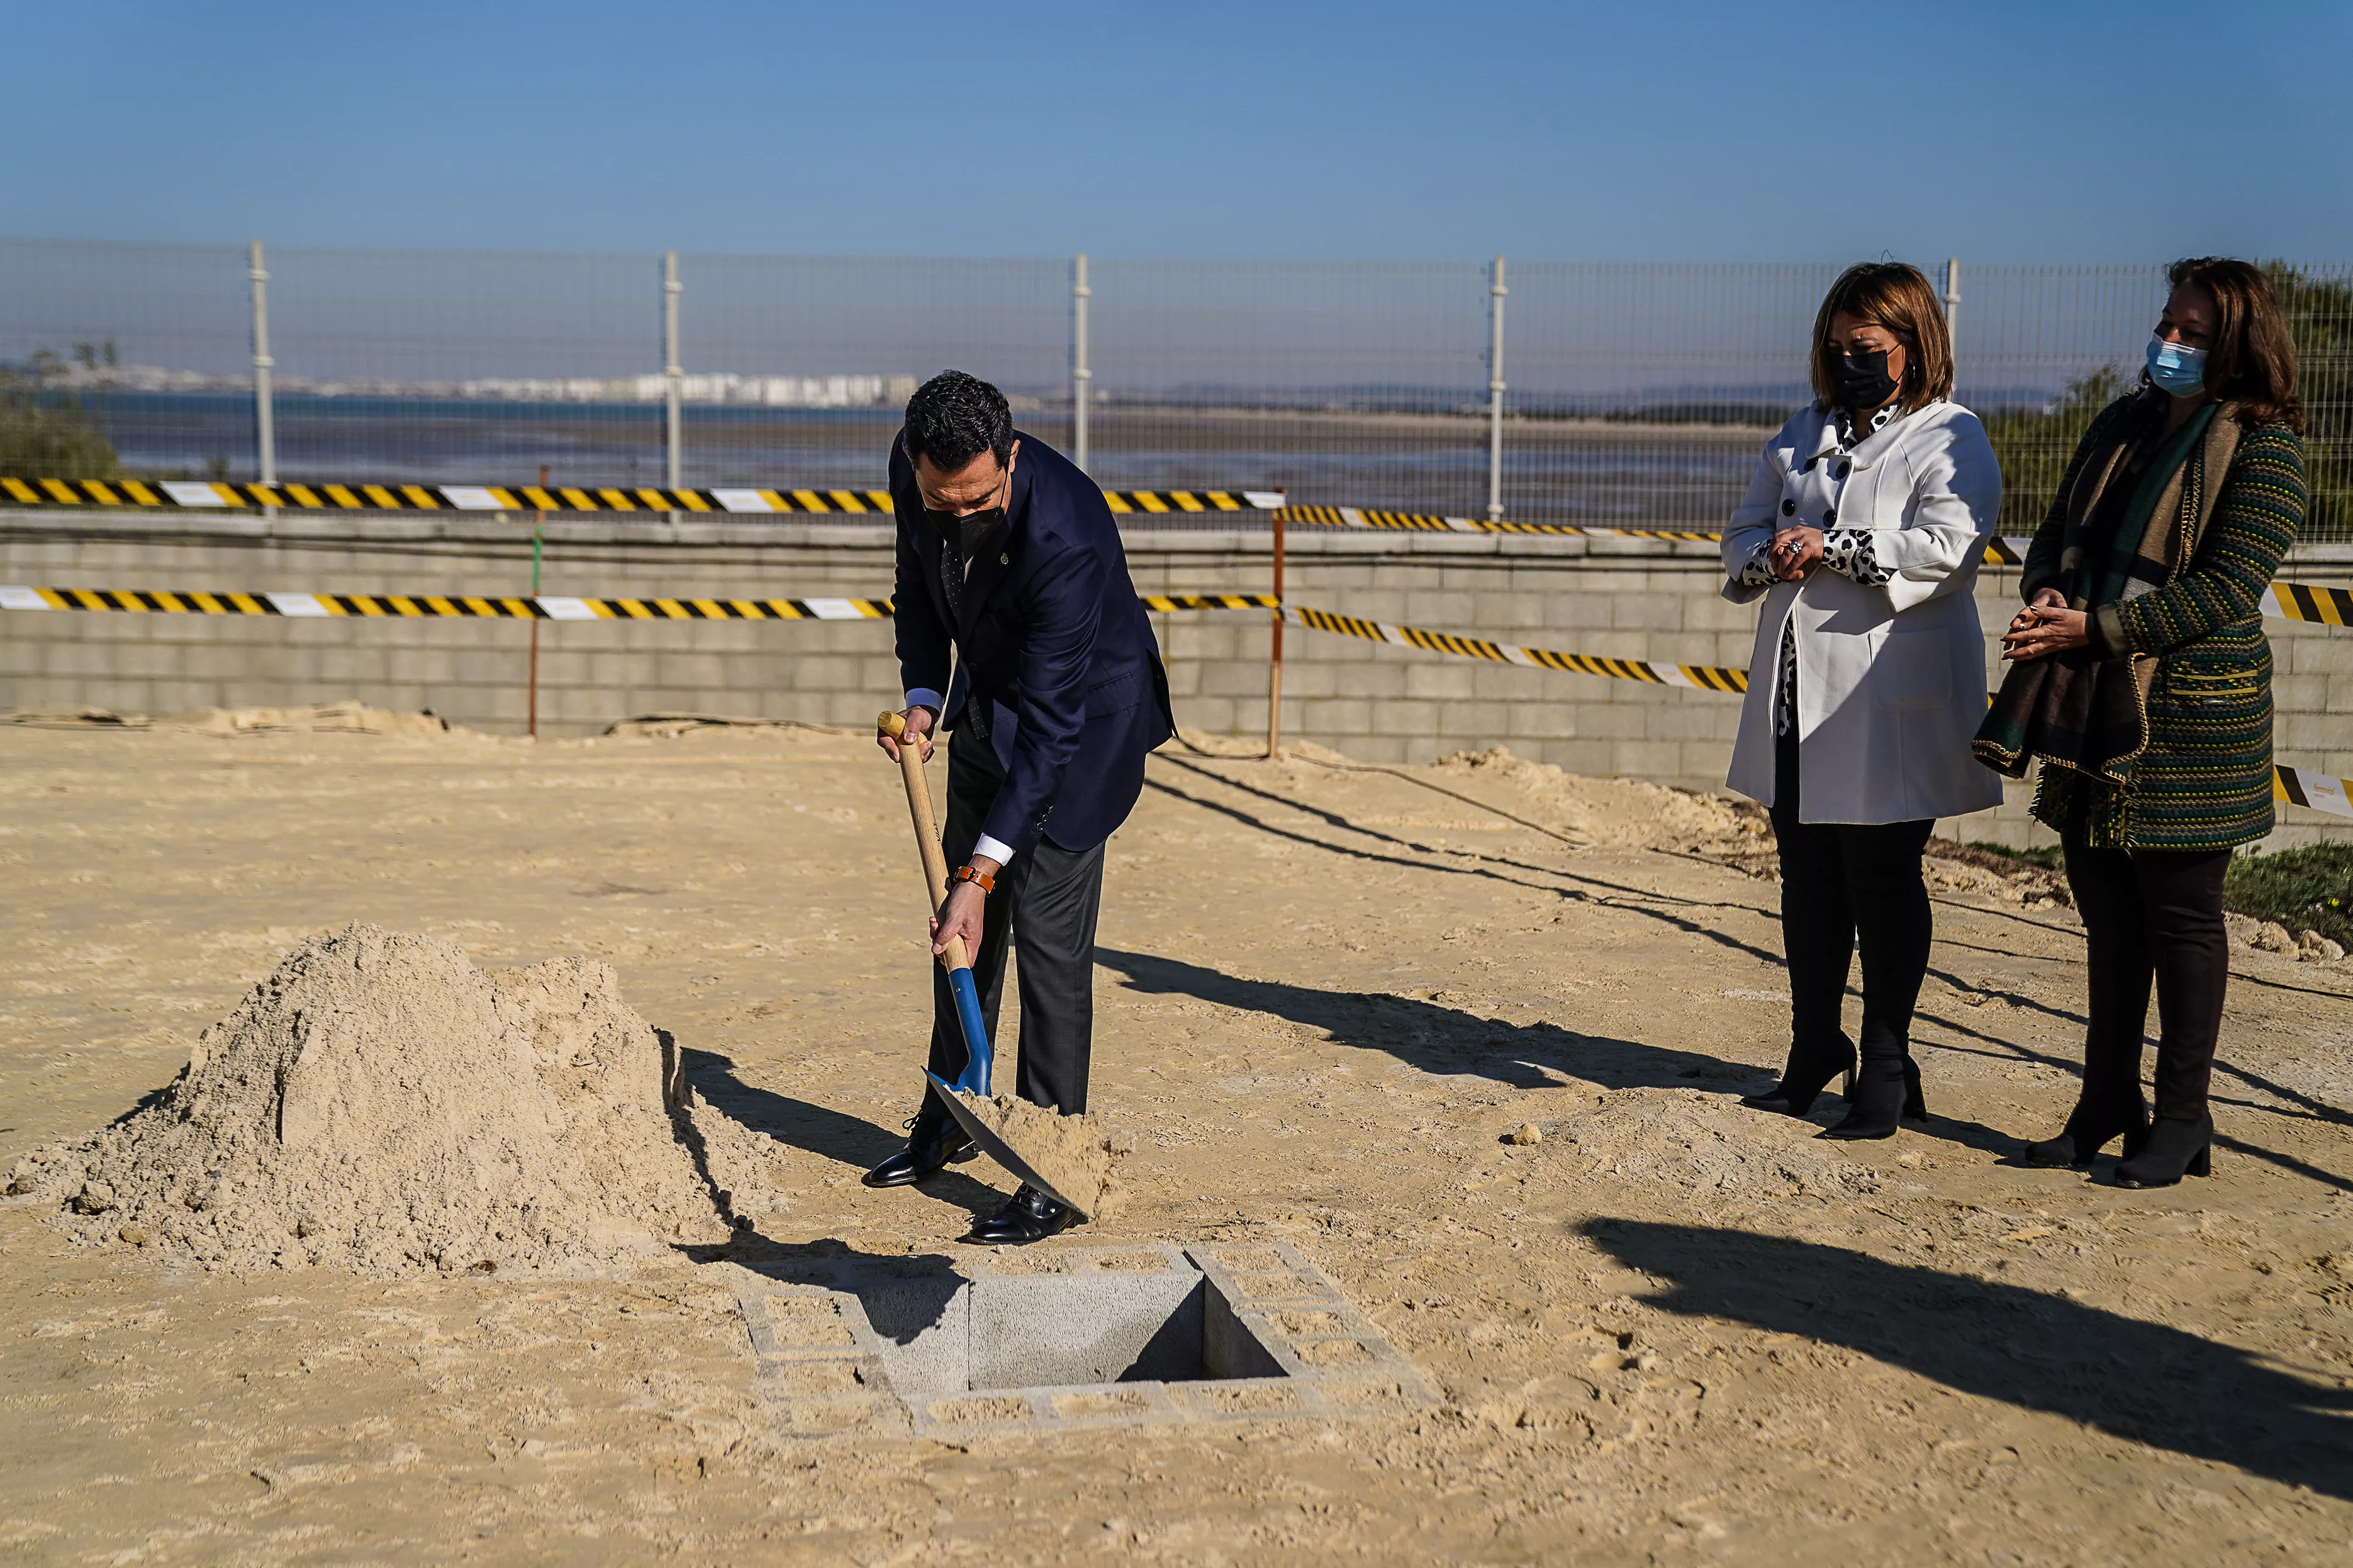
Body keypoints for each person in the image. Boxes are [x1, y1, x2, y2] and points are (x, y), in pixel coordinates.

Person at [1979, 258, 2308, 1189]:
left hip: (2191, 721)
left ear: (2239, 344)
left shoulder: (2266, 450)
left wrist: (2099, 625)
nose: (2169, 344)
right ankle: (2105, 1102)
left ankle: (2184, 1120)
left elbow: (2225, 590)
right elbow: (2058, 531)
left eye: (2193, 333)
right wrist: (2052, 590)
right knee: (2107, 918)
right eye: (2168, 324)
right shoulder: (2122, 423)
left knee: (2185, 923)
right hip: (2092, 703)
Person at [864, 369, 1175, 1243]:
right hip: (988, 709)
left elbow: (1051, 732)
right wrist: (926, 697)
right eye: (940, 499)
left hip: (1079, 730)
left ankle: (1052, 1165)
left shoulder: (1066, 533)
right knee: (959, 939)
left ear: (1012, 454)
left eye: (976, 500)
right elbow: (919, 589)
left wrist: (981, 870)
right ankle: (952, 1115)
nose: (957, 517)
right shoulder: (917, 468)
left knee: (1043, 943)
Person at [1724, 262, 2004, 1140]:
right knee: (1807, 879)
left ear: (1914, 347)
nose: (1849, 362)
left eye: (1869, 349)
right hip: (1796, 691)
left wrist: (1836, 545)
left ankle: (1886, 1062)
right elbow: (1738, 540)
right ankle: (1815, 1047)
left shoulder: (1949, 435)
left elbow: (1950, 548)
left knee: (1879, 877)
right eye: (1838, 347)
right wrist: (1773, 555)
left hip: (1889, 695)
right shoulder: (1800, 432)